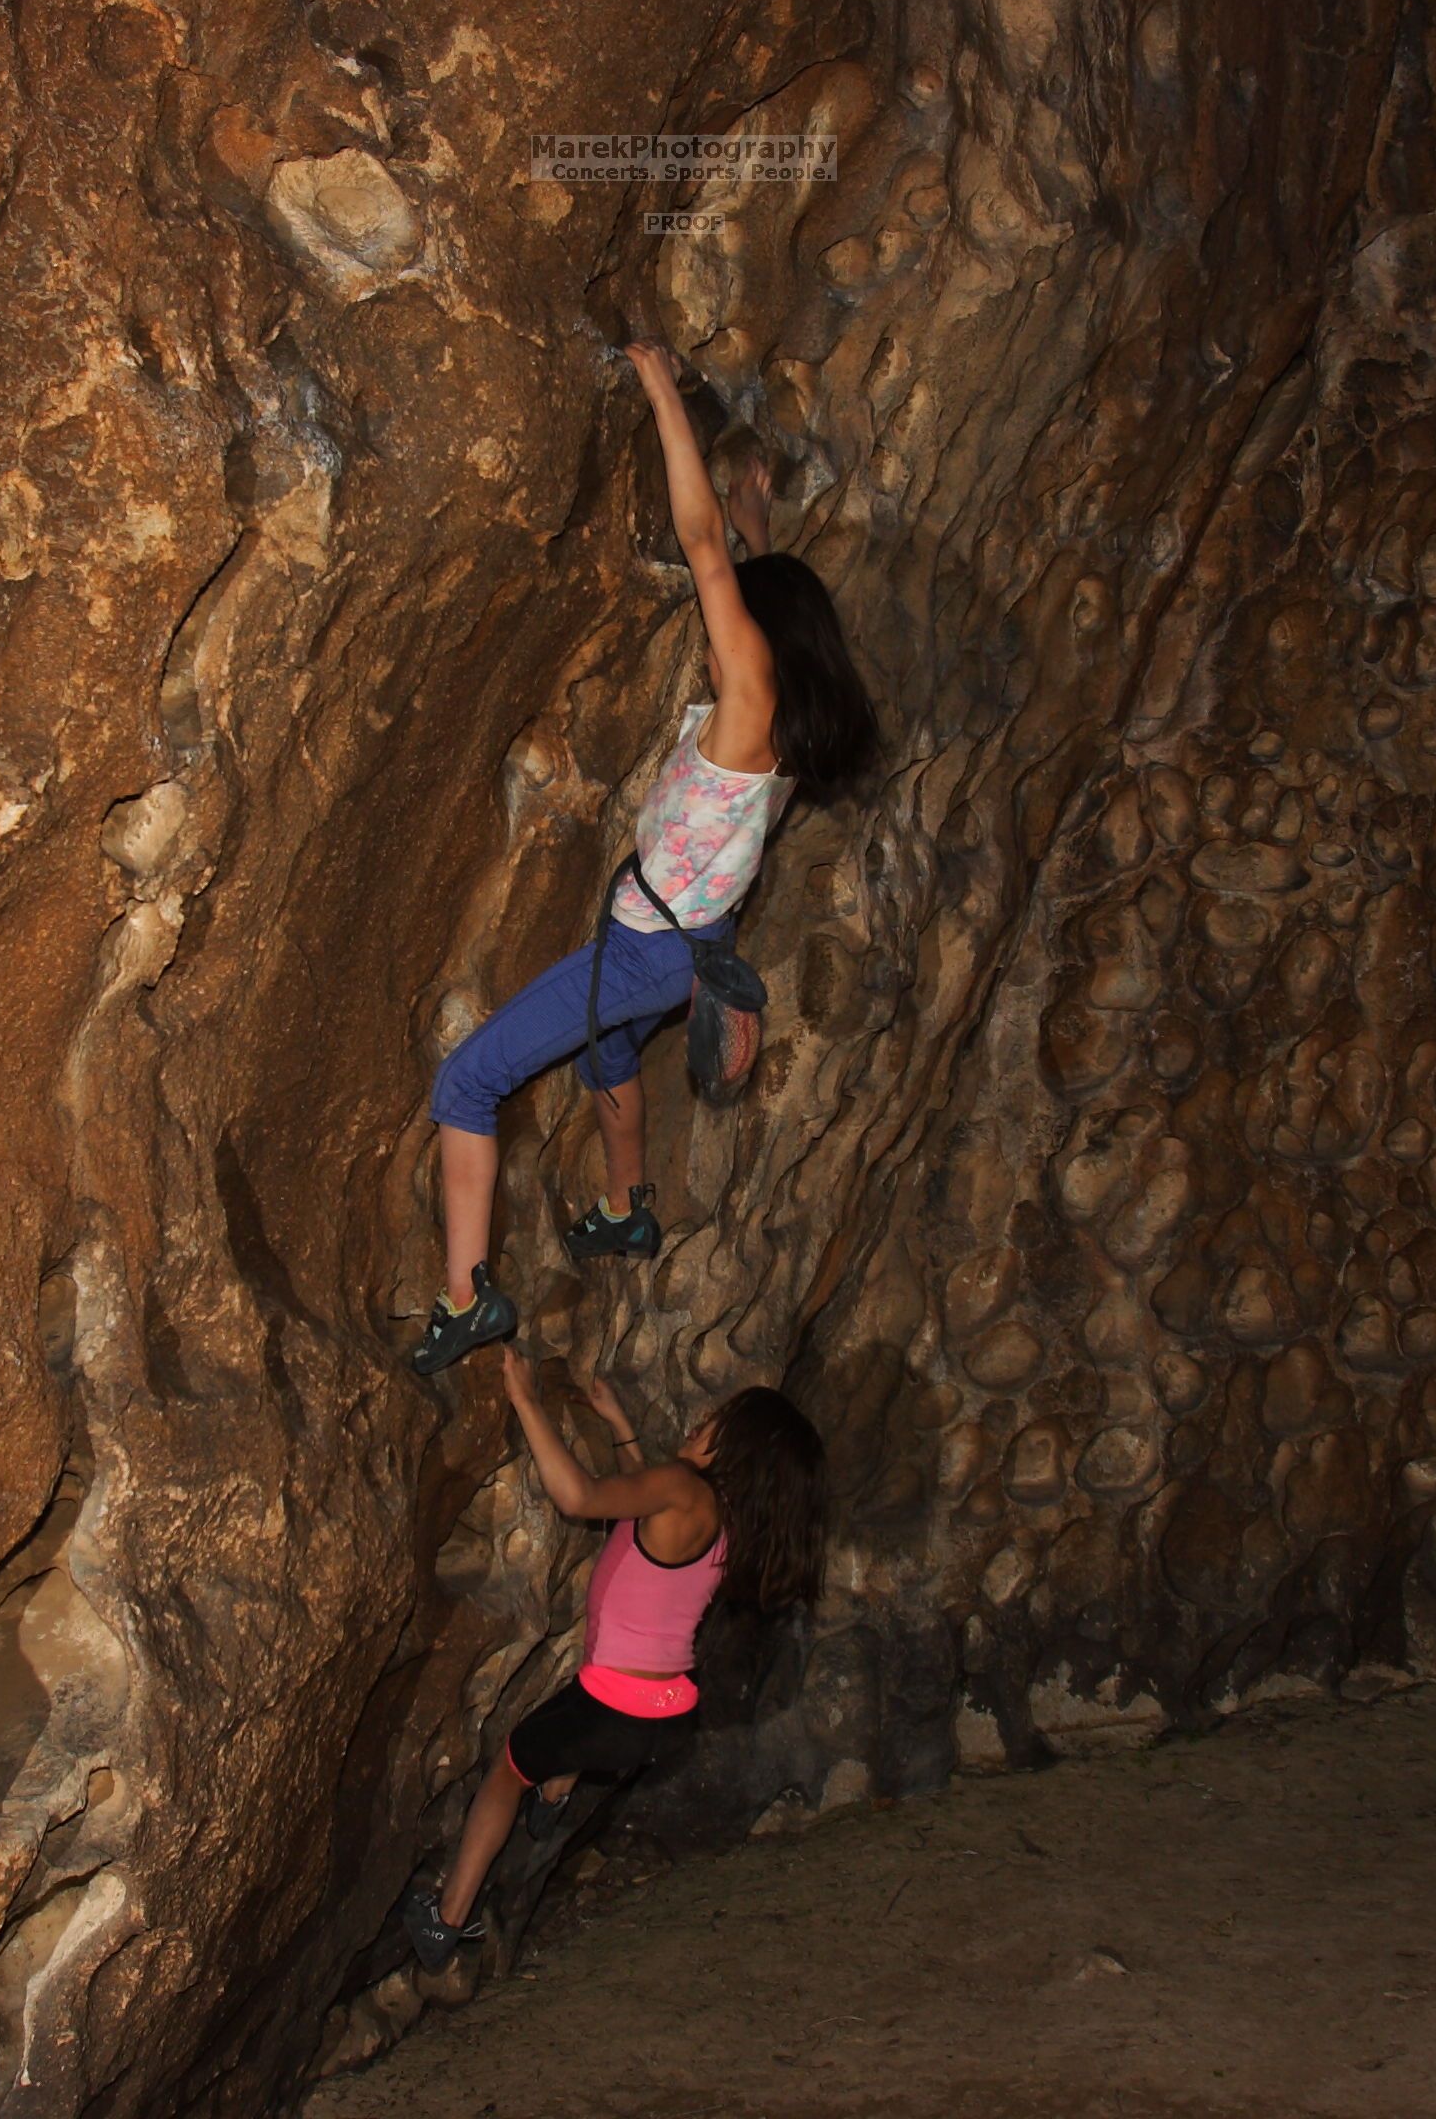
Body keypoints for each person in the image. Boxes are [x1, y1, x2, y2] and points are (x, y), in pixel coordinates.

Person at [410, 341, 880, 1376]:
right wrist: (763, 519)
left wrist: (661, 386)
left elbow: (703, 545)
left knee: (467, 1080)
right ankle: (625, 1206)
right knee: (608, 1050)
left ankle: (461, 1297)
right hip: (693, 943)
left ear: (758, 637)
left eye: (734, 626)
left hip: (645, 950)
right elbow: (747, 567)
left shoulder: (751, 693)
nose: (717, 639)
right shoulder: (788, 716)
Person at [400, 1351, 827, 1968]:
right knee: (578, 1732)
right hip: (669, 1714)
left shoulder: (682, 1490)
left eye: (718, 1421)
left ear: (742, 1447)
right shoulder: (728, 1520)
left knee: (508, 1771)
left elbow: (580, 1497)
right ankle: (554, 1799)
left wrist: (523, 1399)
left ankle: (447, 1923)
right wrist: (620, 1424)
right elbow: (642, 1500)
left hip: (611, 1707)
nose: (703, 1420)